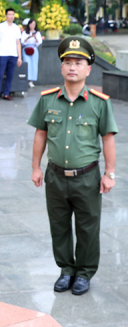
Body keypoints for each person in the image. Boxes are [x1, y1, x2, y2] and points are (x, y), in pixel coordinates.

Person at [28, 37, 118, 296]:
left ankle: (85, 273)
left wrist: (110, 174)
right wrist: (36, 167)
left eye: (78, 62)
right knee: (59, 225)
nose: (72, 67)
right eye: (67, 62)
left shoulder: (99, 102)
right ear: (61, 67)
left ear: (88, 69)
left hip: (87, 177)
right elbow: (40, 135)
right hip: (55, 176)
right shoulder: (48, 100)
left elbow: (107, 139)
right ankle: (66, 269)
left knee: (88, 226)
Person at [0, 8, 23, 100]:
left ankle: (6, 93)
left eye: (13, 14)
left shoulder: (16, 28)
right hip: (2, 54)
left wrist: (19, 57)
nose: (11, 16)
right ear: (6, 16)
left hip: (13, 54)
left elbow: (18, 43)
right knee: (0, 74)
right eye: (9, 14)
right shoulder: (0, 27)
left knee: (10, 75)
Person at [21, 18, 43, 88]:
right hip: (26, 49)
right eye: (31, 24)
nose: (32, 26)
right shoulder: (24, 33)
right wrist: (28, 37)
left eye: (33, 24)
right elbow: (22, 42)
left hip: (34, 49)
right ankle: (26, 80)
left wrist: (35, 37)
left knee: (34, 65)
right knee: (27, 64)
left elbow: (39, 42)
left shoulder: (37, 33)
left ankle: (31, 81)